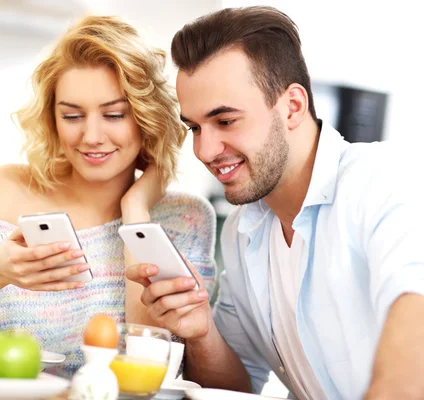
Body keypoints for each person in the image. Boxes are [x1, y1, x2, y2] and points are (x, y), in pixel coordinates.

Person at [0, 15, 216, 376]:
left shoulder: (185, 218)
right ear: (52, 118)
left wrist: (135, 214)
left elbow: (150, 367)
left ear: (146, 116)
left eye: (114, 114)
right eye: (72, 116)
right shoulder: (7, 189)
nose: (91, 136)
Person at [127, 6, 424, 400]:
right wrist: (201, 332)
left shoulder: (383, 182)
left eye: (226, 121)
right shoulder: (242, 230)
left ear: (293, 107)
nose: (205, 149)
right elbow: (236, 387)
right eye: (195, 127)